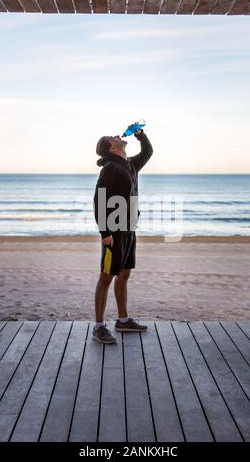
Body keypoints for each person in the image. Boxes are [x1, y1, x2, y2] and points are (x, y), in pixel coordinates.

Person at [92, 128, 153, 344]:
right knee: (106, 276)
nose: (117, 136)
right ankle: (99, 326)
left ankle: (123, 320)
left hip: (129, 230)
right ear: (111, 148)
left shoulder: (130, 164)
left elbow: (148, 152)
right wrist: (104, 232)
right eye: (112, 138)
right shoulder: (110, 167)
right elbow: (99, 199)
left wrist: (140, 135)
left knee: (124, 275)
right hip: (114, 232)